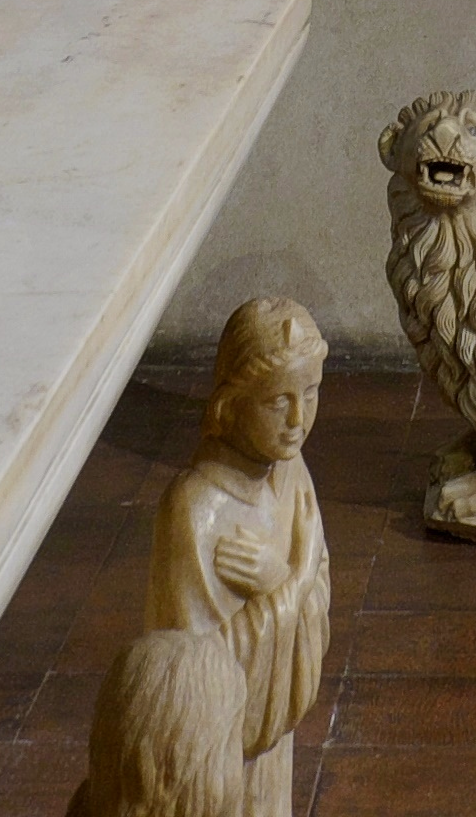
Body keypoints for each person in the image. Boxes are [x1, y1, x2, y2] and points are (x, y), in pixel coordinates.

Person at [144, 298, 331, 816]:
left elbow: (317, 585)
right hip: (216, 770)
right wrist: (290, 590)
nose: (298, 420)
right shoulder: (195, 508)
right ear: (231, 404)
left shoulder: (291, 472)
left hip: (272, 743)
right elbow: (193, 677)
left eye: (311, 393)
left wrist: (284, 582)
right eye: (278, 402)